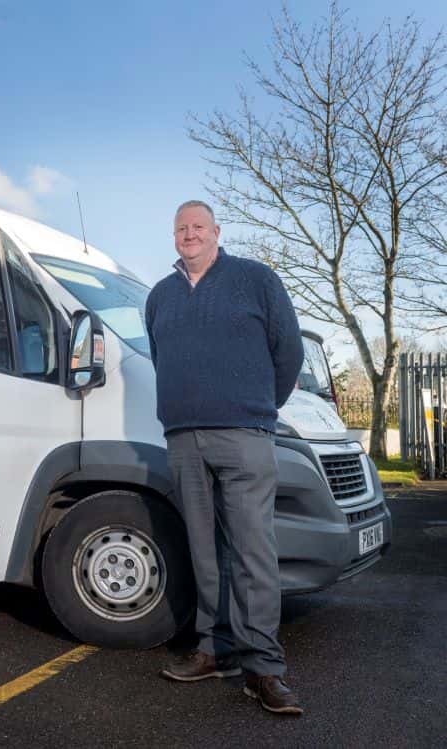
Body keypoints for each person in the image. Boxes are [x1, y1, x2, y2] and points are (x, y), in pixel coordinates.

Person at [144, 200, 305, 716]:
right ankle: (215, 650)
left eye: (198, 227)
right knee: (204, 552)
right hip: (184, 439)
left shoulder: (256, 279)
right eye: (180, 228)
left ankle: (263, 668)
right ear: (173, 237)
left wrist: (258, 409)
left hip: (244, 435)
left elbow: (290, 351)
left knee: (252, 551)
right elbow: (158, 355)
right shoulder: (160, 297)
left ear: (216, 232)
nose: (189, 234)